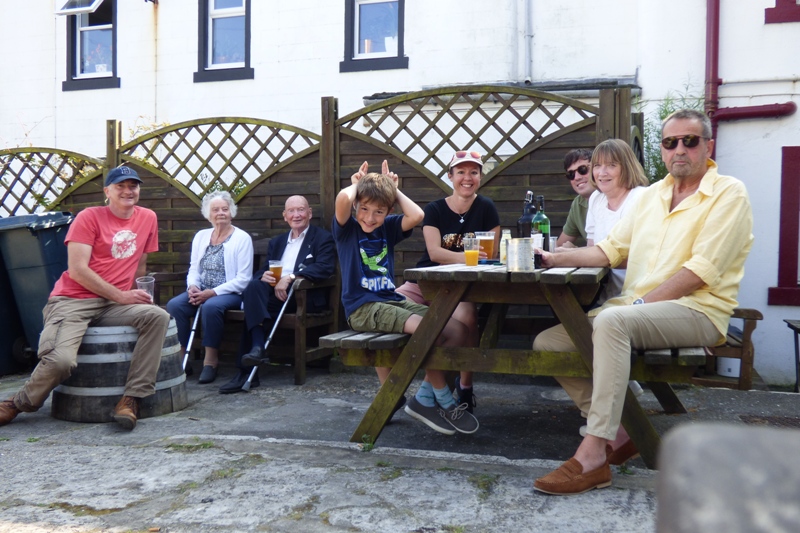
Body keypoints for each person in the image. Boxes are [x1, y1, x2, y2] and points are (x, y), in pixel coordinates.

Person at [531, 109, 753, 495]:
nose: (679, 149)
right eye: (670, 142)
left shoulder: (728, 193)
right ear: (662, 150)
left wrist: (637, 307)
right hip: (636, 309)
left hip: (697, 310)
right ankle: (620, 431)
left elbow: (700, 271)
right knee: (549, 342)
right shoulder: (651, 196)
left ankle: (592, 453)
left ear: (708, 146)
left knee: (612, 323)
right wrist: (555, 258)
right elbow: (611, 249)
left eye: (690, 141)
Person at [0, 166, 171, 430]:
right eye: (120, 186)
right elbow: (78, 270)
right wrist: (122, 295)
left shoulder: (148, 217)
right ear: (107, 191)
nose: (128, 191)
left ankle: (131, 399)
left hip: (114, 305)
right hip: (73, 301)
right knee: (61, 361)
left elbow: (141, 264)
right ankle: (17, 403)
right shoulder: (89, 217)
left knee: (157, 316)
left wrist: (137, 293)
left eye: (133, 186)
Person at [333, 160, 478, 435]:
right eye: (363, 209)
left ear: (388, 211)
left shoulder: (387, 228)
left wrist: (393, 190)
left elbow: (417, 214)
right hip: (363, 308)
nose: (369, 217)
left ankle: (423, 397)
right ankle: (444, 399)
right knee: (429, 331)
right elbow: (342, 198)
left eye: (378, 211)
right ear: (356, 207)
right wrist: (357, 184)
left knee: (457, 330)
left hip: (392, 301)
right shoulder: (346, 231)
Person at [395, 150, 500, 412]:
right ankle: (392, 394)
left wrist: (462, 259)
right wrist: (472, 257)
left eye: (473, 172)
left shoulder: (486, 207)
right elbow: (434, 253)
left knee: (468, 318)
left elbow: (493, 253)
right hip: (425, 282)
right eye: (461, 172)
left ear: (480, 177)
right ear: (450, 176)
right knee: (387, 305)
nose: (468, 177)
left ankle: (464, 387)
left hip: (461, 287)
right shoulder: (434, 209)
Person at [219, 195, 336, 394]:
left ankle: (245, 372)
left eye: (301, 210)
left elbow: (324, 268)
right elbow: (264, 270)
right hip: (274, 295)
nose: (296, 215)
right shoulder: (278, 242)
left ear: (309, 213)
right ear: (285, 216)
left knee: (253, 311)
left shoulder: (322, 238)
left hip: (302, 295)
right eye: (291, 211)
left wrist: (290, 277)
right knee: (254, 287)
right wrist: (263, 275)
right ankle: (256, 349)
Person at [166, 190, 253, 384]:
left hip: (230, 293)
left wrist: (212, 293)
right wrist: (193, 287)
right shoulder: (201, 236)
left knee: (211, 306)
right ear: (208, 214)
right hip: (202, 290)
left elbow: (244, 279)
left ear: (232, 211)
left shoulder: (242, 238)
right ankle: (182, 358)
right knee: (175, 305)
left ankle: (210, 360)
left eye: (225, 208)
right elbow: (194, 268)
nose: (220, 212)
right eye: (215, 209)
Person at [585, 139, 649, 303]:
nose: (602, 172)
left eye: (611, 165)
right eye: (597, 165)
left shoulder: (641, 197)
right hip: (604, 294)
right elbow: (591, 247)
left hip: (639, 297)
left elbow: (643, 257)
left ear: (626, 167)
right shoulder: (596, 199)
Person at [555, 148, 594, 249]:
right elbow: (560, 246)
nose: (577, 177)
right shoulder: (578, 203)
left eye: (583, 170)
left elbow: (608, 251)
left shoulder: (611, 199)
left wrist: (574, 251)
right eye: (571, 174)